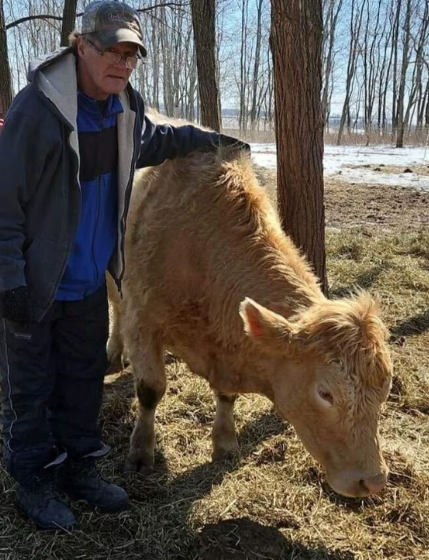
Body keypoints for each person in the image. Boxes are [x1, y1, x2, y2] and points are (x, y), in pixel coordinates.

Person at [0, 0, 249, 530]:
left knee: (84, 380)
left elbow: (160, 141)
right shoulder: (37, 111)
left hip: (90, 283)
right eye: (111, 49)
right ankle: (34, 481)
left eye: (131, 54)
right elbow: (4, 205)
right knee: (31, 390)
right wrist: (9, 281)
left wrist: (211, 142)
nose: (122, 62)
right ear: (80, 45)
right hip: (36, 287)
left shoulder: (124, 112)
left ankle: (81, 470)